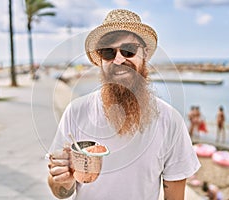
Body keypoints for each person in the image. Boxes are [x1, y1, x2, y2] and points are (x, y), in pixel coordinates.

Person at [47, 9, 200, 200]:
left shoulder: (170, 121)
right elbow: (60, 192)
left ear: (144, 54)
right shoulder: (76, 112)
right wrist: (63, 179)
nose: (119, 59)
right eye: (108, 52)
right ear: (101, 60)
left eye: (128, 50)